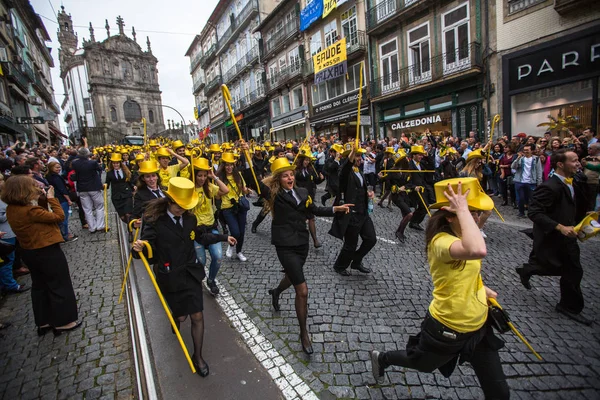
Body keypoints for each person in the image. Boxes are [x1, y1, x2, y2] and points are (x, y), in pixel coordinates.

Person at [370, 178, 509, 399]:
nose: (476, 218)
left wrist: (480, 288)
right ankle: (383, 358)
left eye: (475, 213)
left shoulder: (463, 232)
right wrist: (463, 208)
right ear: (450, 215)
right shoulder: (441, 241)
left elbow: (468, 268)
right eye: (472, 212)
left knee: (499, 393)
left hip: (479, 325)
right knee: (423, 364)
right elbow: (477, 251)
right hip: (449, 327)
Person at [132, 177, 235, 377]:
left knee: (197, 315)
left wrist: (223, 237)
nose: (181, 209)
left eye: (185, 206)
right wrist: (138, 248)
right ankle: (175, 318)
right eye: (178, 206)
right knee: (181, 315)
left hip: (190, 273)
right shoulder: (154, 220)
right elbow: (146, 248)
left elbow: (200, 237)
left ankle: (197, 356)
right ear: (169, 201)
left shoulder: (189, 218)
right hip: (169, 276)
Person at [265, 158, 351, 354]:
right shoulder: (274, 194)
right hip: (285, 246)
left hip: (302, 244)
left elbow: (314, 211)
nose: (290, 177)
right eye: (285, 175)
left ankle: (277, 292)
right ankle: (304, 334)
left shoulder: (303, 192)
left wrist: (334, 209)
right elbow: (257, 184)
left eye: (291, 174)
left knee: (292, 278)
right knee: (302, 290)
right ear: (279, 179)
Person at [516, 149, 591, 326]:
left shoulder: (574, 182)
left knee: (570, 270)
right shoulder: (549, 186)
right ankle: (569, 306)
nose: (578, 163)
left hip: (567, 237)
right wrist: (559, 227)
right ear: (560, 164)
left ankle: (529, 270)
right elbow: (534, 212)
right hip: (554, 236)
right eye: (573, 161)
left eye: (577, 160)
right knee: (566, 269)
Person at [3, 175, 80, 336]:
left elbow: (40, 213)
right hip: (46, 250)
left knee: (39, 286)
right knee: (59, 284)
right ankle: (63, 321)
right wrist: (52, 199)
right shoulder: (30, 210)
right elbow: (59, 216)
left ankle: (43, 321)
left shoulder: (13, 208)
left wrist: (41, 198)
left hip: (29, 251)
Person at [330, 145, 376, 276]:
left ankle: (356, 261)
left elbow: (359, 188)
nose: (359, 158)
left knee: (371, 239)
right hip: (351, 214)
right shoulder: (344, 172)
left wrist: (368, 194)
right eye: (356, 156)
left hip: (363, 212)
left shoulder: (359, 171)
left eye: (360, 156)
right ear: (348, 157)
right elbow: (345, 169)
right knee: (351, 244)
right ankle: (339, 266)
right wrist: (351, 154)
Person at [191, 157, 230, 296]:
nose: (202, 178)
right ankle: (197, 280)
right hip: (196, 231)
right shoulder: (189, 189)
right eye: (199, 175)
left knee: (218, 256)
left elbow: (225, 190)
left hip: (211, 227)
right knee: (201, 261)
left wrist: (214, 177)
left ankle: (211, 280)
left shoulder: (209, 187)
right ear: (194, 174)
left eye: (204, 175)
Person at [217, 152, 252, 262]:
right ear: (223, 165)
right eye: (227, 165)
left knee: (241, 232)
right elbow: (216, 195)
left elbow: (243, 189)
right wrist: (224, 192)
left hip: (240, 206)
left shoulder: (239, 175)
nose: (229, 167)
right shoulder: (220, 177)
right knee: (235, 232)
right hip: (227, 207)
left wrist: (247, 190)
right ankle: (231, 246)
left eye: (231, 165)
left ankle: (239, 252)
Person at [0, 174, 28, 293]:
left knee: (10, 258)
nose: (2, 182)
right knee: (7, 261)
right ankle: (10, 285)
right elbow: (1, 218)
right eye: (1, 180)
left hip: (11, 231)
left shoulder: (3, 197)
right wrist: (12, 211)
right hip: (5, 234)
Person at [294, 147, 325, 248]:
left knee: (311, 218)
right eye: (305, 160)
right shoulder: (295, 170)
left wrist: (321, 179)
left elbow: (315, 181)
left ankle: (315, 240)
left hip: (309, 198)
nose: (307, 162)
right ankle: (298, 240)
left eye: (308, 160)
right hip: (299, 198)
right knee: (300, 220)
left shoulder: (310, 170)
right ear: (301, 160)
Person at [72, 146, 106, 233]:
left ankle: (92, 227)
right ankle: (100, 225)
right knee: (99, 206)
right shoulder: (92, 163)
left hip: (82, 188)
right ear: (88, 154)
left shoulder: (75, 163)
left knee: (87, 209)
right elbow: (100, 169)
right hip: (93, 187)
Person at [46, 161, 78, 243]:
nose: (59, 169)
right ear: (51, 168)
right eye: (56, 167)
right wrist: (68, 200)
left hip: (56, 199)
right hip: (61, 199)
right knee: (64, 218)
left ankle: (64, 233)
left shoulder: (48, 176)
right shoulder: (56, 178)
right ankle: (65, 235)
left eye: (59, 167)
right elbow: (62, 189)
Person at [511, 144, 543, 218]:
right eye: (524, 150)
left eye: (527, 150)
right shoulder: (521, 159)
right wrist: (518, 158)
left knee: (532, 198)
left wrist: (539, 182)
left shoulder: (536, 159)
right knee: (520, 198)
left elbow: (539, 171)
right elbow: (513, 167)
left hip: (531, 182)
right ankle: (521, 212)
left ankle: (531, 212)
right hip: (520, 181)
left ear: (531, 151)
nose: (525, 152)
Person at [105, 153, 135, 226]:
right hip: (116, 197)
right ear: (111, 164)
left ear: (120, 163)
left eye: (117, 163)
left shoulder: (125, 171)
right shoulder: (109, 173)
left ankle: (130, 230)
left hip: (127, 195)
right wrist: (104, 186)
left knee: (128, 215)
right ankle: (131, 226)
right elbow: (107, 184)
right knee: (123, 217)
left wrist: (133, 187)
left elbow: (129, 181)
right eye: (114, 163)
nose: (116, 165)